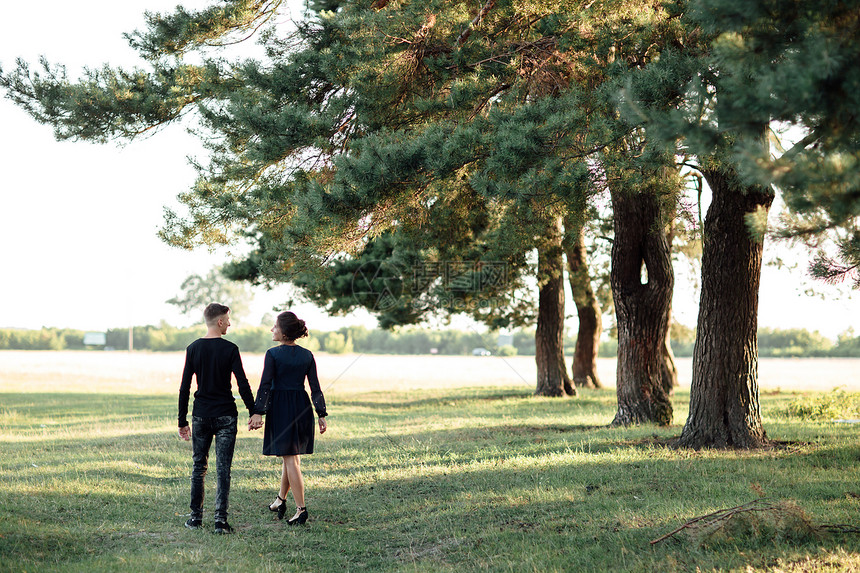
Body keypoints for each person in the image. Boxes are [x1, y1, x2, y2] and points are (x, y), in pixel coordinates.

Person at [178, 303, 255, 534]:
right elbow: (242, 383)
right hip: (225, 416)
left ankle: (195, 519)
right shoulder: (230, 349)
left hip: (201, 415)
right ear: (219, 321)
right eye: (228, 319)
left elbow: (184, 388)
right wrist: (253, 411)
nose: (230, 323)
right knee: (223, 469)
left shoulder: (193, 348)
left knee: (198, 467)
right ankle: (220, 522)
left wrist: (182, 421)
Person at [248, 311, 328, 525]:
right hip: (302, 406)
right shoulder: (307, 355)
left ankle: (301, 509)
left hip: (281, 407)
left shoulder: (272, 354)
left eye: (275, 326)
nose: (272, 329)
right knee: (290, 456)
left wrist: (258, 412)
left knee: (291, 459)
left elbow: (265, 385)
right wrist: (321, 413)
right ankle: (280, 500)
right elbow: (315, 387)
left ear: (284, 333)